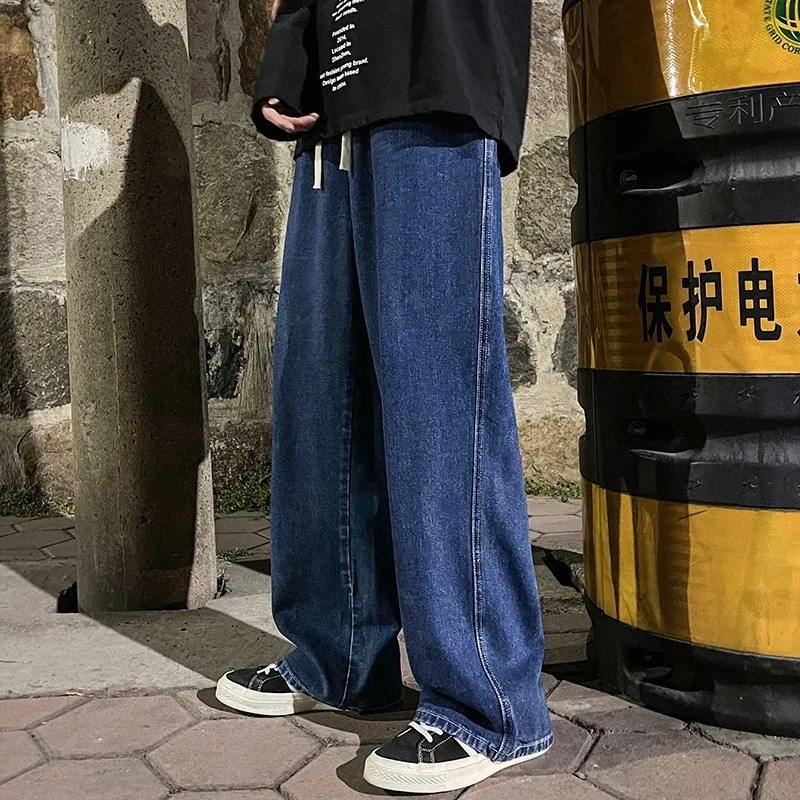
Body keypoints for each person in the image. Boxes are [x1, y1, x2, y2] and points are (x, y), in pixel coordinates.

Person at [215, 0, 553, 792]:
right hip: (336, 102)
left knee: (438, 396)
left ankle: (490, 704)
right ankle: (337, 656)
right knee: (320, 400)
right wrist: (287, 54)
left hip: (435, 70)